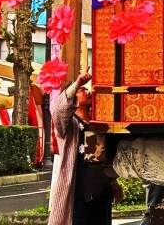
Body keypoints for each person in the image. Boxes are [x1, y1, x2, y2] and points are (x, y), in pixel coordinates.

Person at [50, 70, 121, 225]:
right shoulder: (69, 124)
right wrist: (77, 84)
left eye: (86, 89)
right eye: (83, 91)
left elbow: (104, 156)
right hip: (78, 185)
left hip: (101, 187)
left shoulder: (98, 122)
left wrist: (113, 181)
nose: (88, 92)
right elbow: (58, 111)